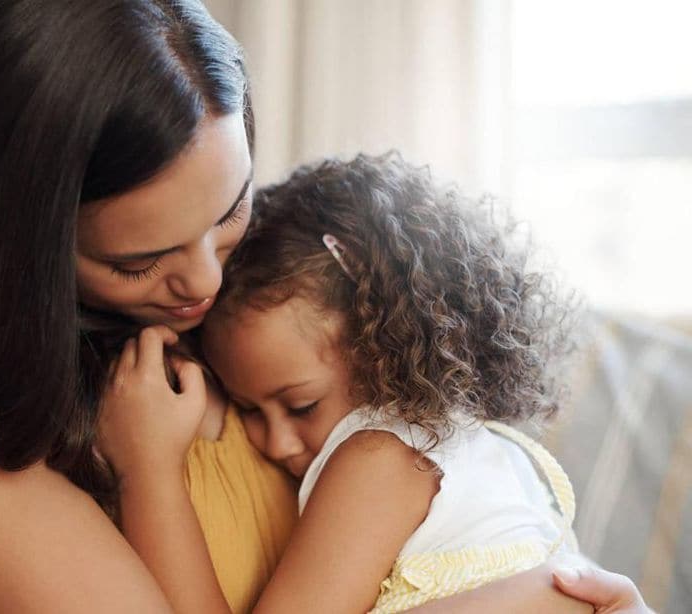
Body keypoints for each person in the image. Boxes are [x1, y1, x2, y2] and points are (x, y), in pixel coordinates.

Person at [0, 1, 651, 612]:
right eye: (139, 261)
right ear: (19, 244)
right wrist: (529, 600)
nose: (204, 283)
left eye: (228, 211)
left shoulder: (274, 332)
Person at [98, 153, 594, 613]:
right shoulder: (489, 454)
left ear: (384, 350)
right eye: (249, 410)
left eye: (301, 405)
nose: (275, 443)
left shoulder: (380, 457)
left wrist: (147, 470)